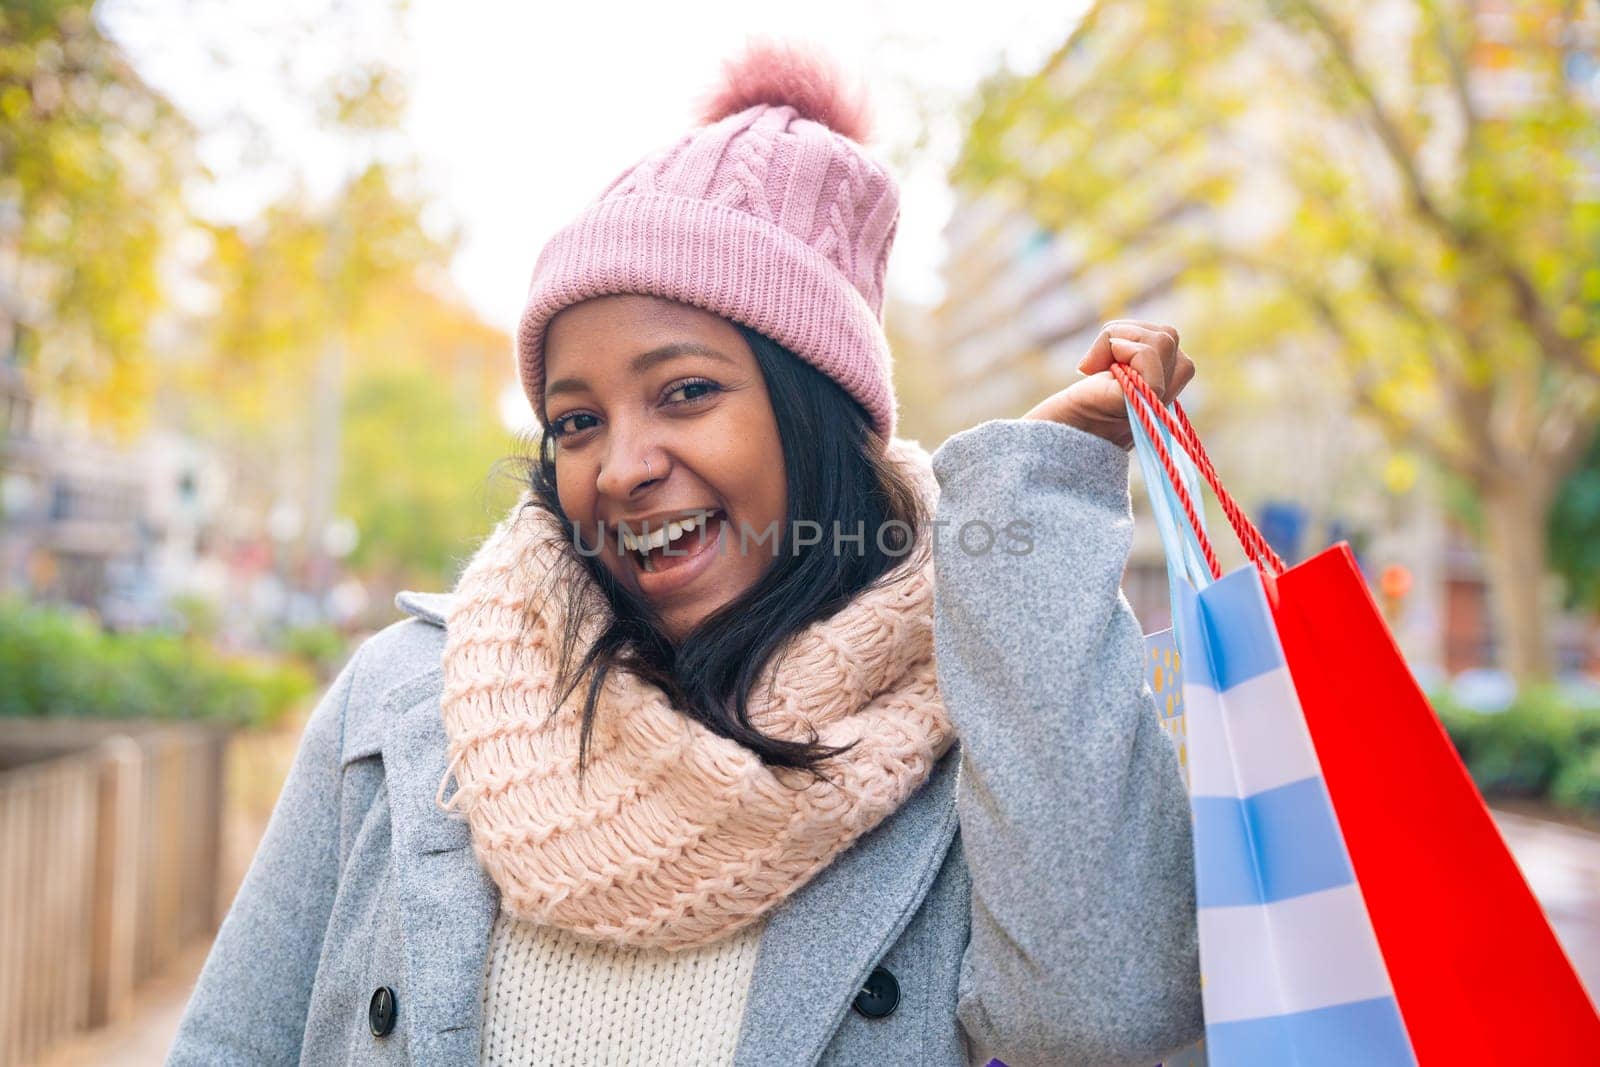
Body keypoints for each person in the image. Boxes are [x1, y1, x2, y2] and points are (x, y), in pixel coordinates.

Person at [167, 38, 1203, 1067]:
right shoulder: (400, 703)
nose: (619, 466)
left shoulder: (976, 713)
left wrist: (1041, 494)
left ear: (819, 416)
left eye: (686, 392)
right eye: (575, 420)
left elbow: (1101, 1010)